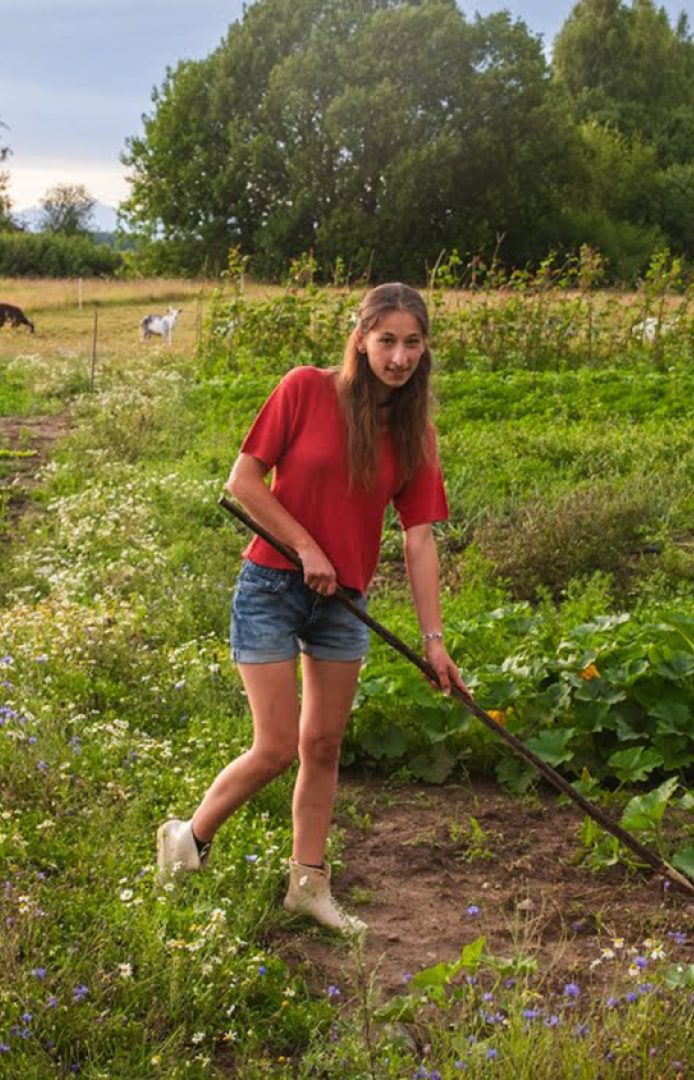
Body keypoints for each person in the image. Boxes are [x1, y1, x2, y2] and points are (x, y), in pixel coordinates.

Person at [155, 282, 465, 934]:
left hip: (343, 605)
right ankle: (188, 839)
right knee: (274, 747)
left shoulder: (414, 433)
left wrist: (434, 639)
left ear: (425, 348)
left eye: (413, 343)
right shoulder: (305, 389)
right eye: (387, 340)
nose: (399, 356)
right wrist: (305, 545)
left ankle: (308, 887)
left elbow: (418, 540)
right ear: (361, 338)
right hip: (272, 585)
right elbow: (242, 482)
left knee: (322, 746)